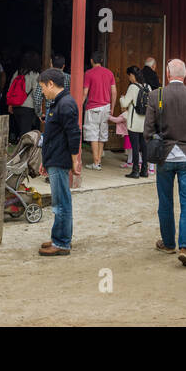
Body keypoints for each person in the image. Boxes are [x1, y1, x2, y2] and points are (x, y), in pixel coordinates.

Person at [143, 58, 186, 267]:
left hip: (164, 155)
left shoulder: (156, 95)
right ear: (185, 74)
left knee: (165, 201)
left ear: (167, 74)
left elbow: (148, 130)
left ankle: (169, 242)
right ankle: (185, 247)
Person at [37, 68, 80, 256]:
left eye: (43, 88)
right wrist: (44, 161)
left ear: (51, 84)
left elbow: (73, 134)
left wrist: (74, 160)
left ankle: (62, 243)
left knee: (61, 202)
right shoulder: (58, 103)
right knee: (59, 201)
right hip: (53, 158)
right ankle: (58, 237)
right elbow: (52, 135)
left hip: (60, 158)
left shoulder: (66, 104)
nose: (43, 92)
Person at [82, 52, 117, 171]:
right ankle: (98, 161)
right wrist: (112, 107)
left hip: (93, 107)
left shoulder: (88, 73)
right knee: (102, 134)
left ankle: (96, 162)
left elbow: (85, 92)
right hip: (106, 107)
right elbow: (114, 91)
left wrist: (78, 106)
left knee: (93, 135)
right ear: (101, 60)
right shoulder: (109, 73)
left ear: (91, 60)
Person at [119, 66, 147, 178]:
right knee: (144, 146)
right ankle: (144, 170)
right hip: (144, 122)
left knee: (135, 147)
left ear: (132, 75)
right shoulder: (147, 86)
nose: (129, 78)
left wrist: (122, 98)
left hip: (134, 122)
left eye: (129, 76)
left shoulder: (132, 87)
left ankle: (135, 171)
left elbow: (124, 104)